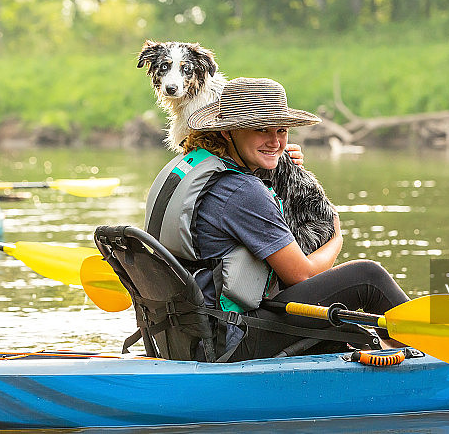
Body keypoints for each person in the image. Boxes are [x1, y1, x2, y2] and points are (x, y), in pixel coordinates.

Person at [145, 77, 412, 361]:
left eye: (281, 130)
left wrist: (271, 158)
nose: (275, 141)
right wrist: (336, 237)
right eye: (261, 129)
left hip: (187, 336)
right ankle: (432, 354)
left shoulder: (189, 167)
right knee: (367, 277)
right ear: (227, 131)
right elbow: (304, 275)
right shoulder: (242, 192)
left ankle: (403, 344)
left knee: (347, 323)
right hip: (231, 341)